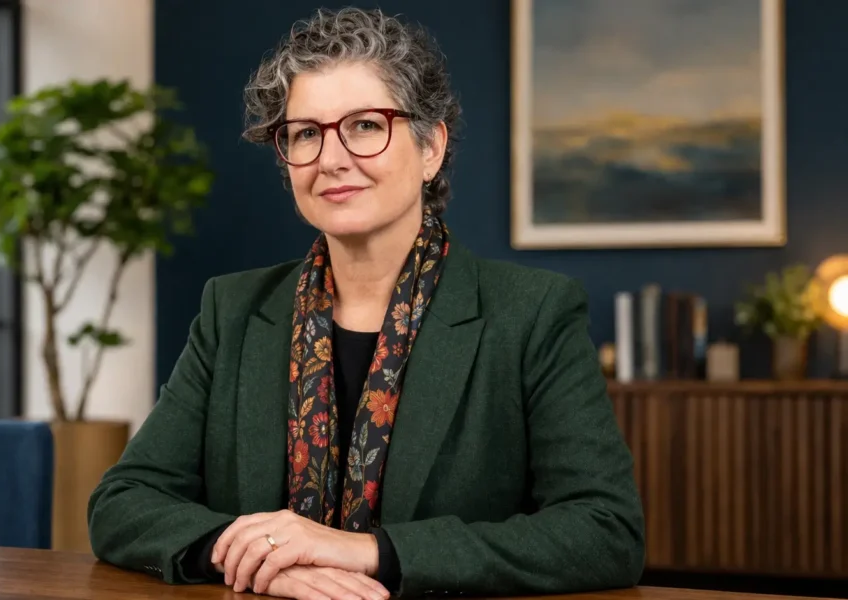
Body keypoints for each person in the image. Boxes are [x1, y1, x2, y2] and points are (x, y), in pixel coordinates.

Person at [87, 7, 645, 599]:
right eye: (305, 133)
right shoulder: (233, 311)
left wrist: (367, 553)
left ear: (431, 147)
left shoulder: (531, 313)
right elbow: (122, 502)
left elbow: (605, 531)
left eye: (364, 126)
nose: (330, 159)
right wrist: (266, 555)